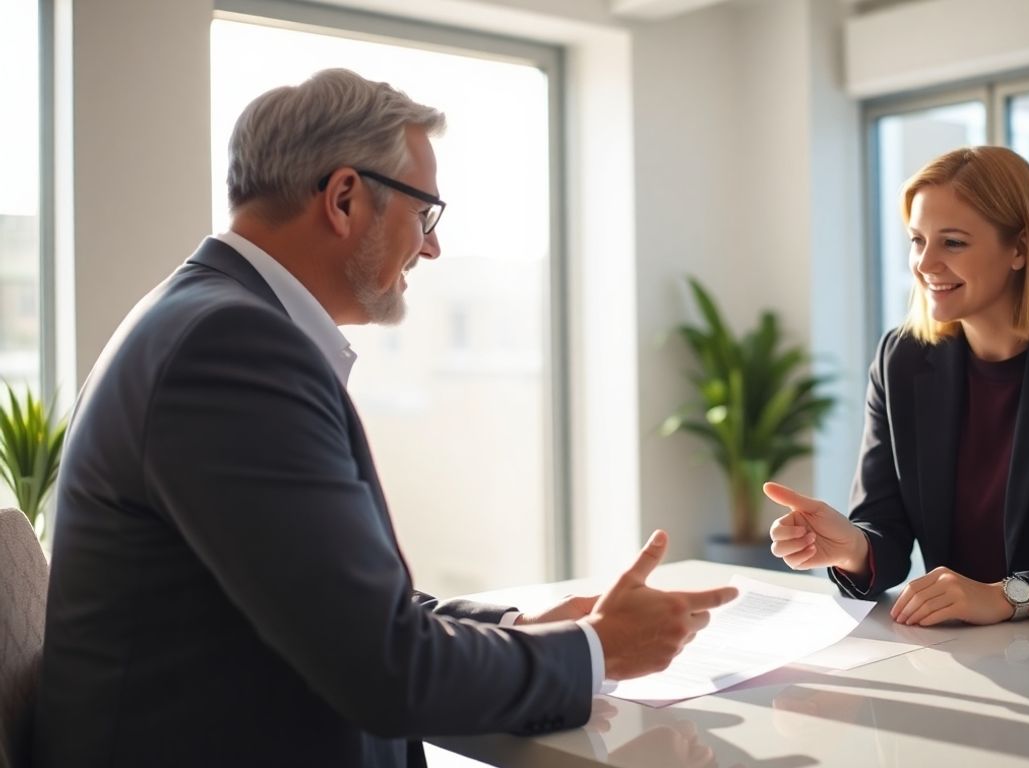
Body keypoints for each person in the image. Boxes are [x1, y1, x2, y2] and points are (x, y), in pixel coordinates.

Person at [34, 68, 737, 768]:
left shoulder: (208, 320)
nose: (431, 246)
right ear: (344, 198)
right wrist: (597, 649)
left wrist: (530, 628)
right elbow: (386, 668)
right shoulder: (232, 349)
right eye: (424, 212)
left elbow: (344, 611)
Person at [766, 145, 1029, 627]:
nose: (924, 264)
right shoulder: (902, 358)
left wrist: (1009, 596)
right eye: (917, 240)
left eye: (952, 242)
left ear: (1019, 248)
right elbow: (885, 529)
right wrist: (852, 546)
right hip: (982, 654)